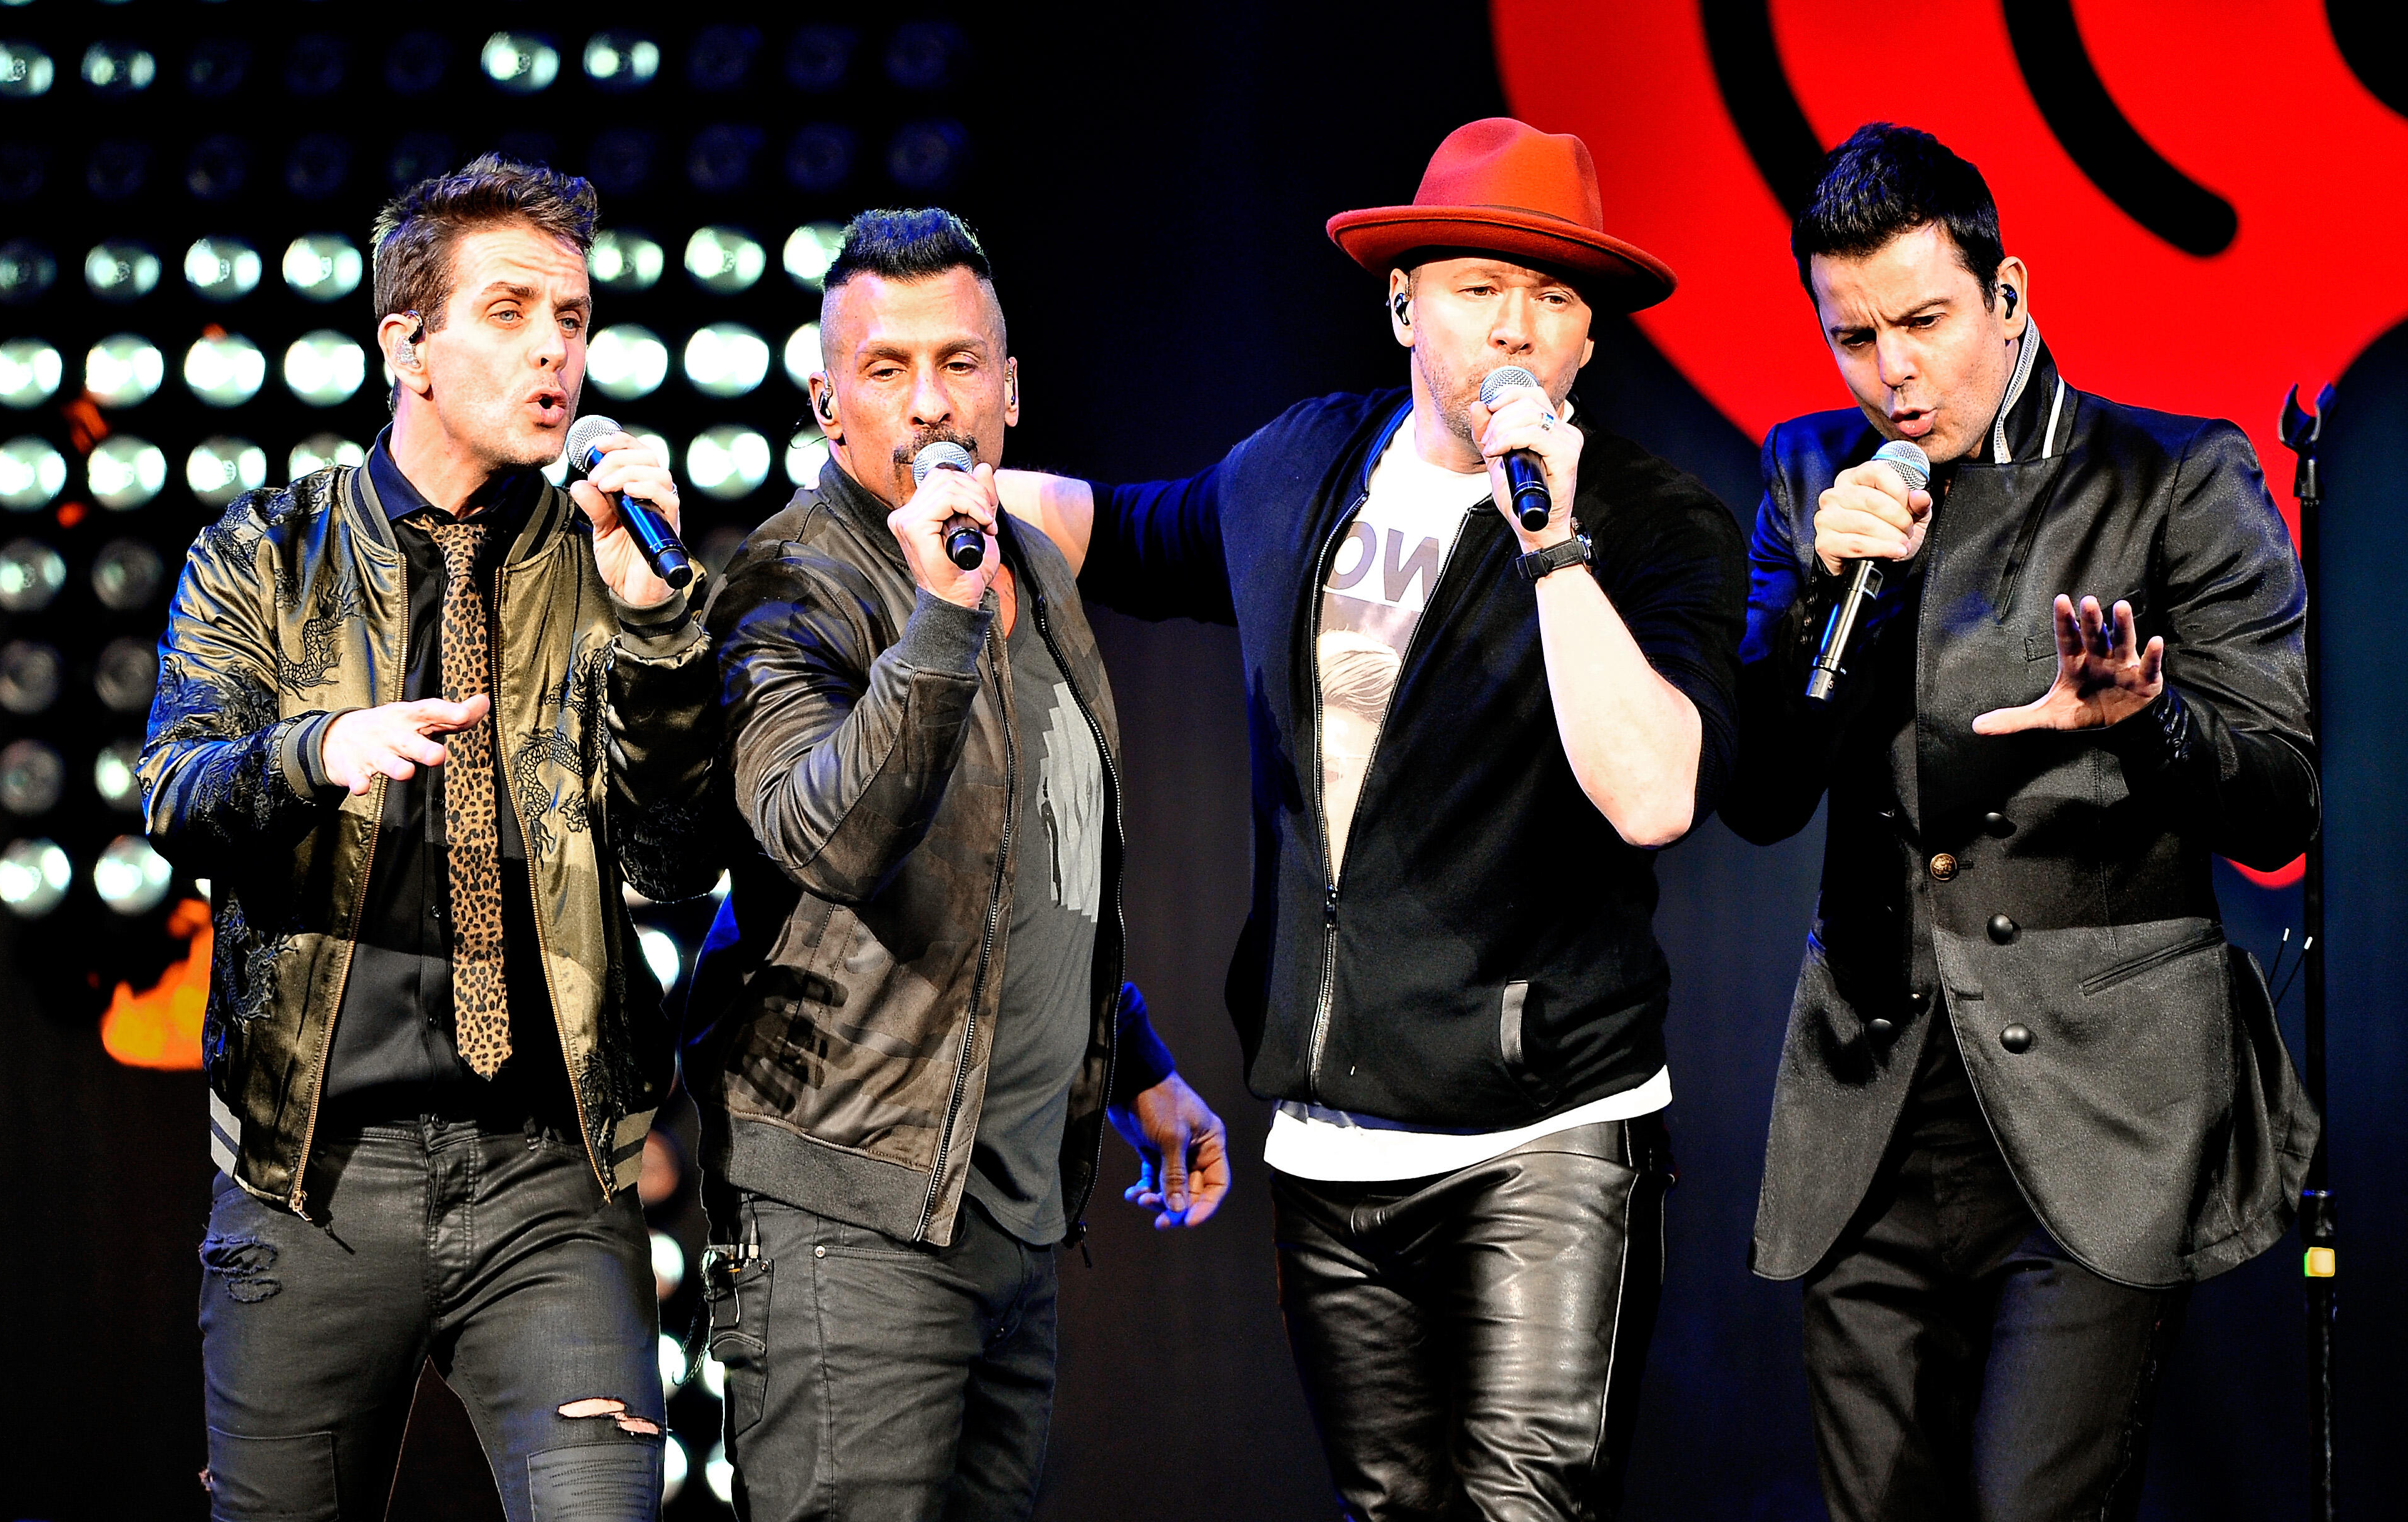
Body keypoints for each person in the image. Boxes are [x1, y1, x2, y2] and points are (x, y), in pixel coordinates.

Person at [1000, 118, 1748, 1520]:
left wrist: (1553, 546)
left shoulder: (1657, 527)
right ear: (1404, 301)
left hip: (1549, 1129)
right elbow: (1120, 525)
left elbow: (1652, 794)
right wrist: (914, 496)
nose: (1516, 328)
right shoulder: (1300, 469)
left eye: (1555, 297)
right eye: (1480, 288)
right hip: (1334, 1146)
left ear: (1591, 339)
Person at [1721, 123, 2320, 1519]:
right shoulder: (1811, 479)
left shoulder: (2169, 476)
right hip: (1869, 1099)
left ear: (2009, 297)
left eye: (1924, 321)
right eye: (1852, 335)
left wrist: (2145, 723)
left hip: (2098, 1103)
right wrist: (1816, 581)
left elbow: (2281, 801)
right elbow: (1755, 793)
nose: (1893, 371)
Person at [141, 154, 719, 1521]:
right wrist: (316, 750)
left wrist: (655, 626)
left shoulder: (606, 565)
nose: (553, 353)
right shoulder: (268, 554)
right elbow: (174, 791)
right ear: (407, 340)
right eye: (510, 312)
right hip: (315, 1177)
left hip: (547, 1177)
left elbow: (677, 853)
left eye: (572, 319)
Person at [689, 207, 1232, 1521]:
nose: (931, 405)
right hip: (851, 1217)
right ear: (828, 405)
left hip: (1007, 1208)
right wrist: (935, 618)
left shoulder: (1032, 567)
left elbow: (1029, 865)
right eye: (887, 370)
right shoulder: (786, 587)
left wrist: (1136, 1062)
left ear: (1010, 387)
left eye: (959, 363)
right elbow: (830, 837)